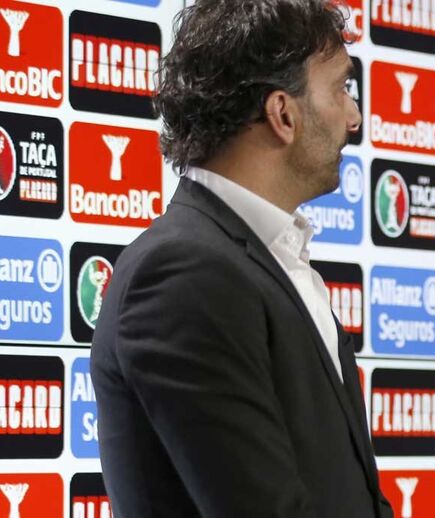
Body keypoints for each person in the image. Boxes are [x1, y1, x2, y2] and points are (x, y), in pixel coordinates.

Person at [90, 1, 393, 516]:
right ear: (283, 114)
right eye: (341, 89)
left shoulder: (264, 260)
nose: (354, 116)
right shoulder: (185, 272)